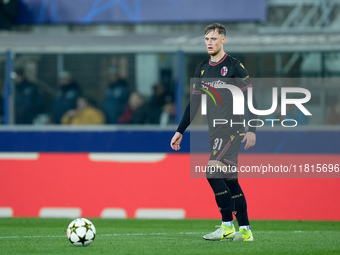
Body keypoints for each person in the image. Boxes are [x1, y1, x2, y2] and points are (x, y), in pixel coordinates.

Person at [170, 23, 257, 242]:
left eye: (214, 38)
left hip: (232, 130)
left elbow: (252, 99)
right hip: (215, 131)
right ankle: (245, 230)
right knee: (230, 181)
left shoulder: (235, 66)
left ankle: (227, 225)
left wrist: (252, 129)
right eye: (207, 39)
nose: (209, 42)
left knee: (211, 172)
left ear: (223, 40)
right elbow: (195, 102)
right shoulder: (202, 68)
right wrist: (180, 130)